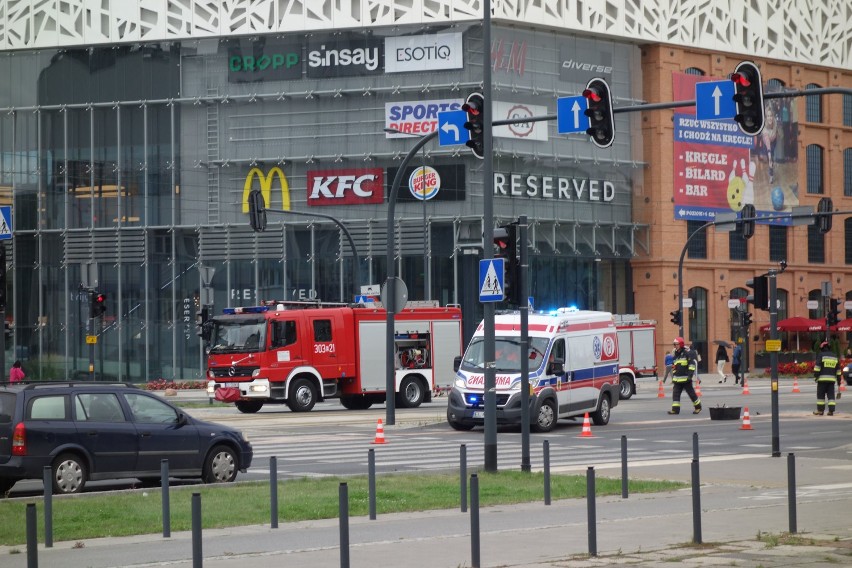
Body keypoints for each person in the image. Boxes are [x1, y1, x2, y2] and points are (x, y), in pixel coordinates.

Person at [667, 337, 701, 415]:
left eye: (676, 344)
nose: (675, 346)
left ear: (681, 344)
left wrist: (690, 375)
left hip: (686, 379)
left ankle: (698, 407)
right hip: (677, 379)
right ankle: (675, 410)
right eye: (674, 344)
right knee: (675, 394)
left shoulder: (687, 353)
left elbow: (691, 365)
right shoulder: (676, 354)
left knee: (691, 394)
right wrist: (674, 375)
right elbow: (674, 366)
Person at [813, 340, 840, 416]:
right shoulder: (835, 356)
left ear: (822, 348)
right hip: (831, 381)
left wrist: (816, 376)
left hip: (822, 380)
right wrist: (839, 381)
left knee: (821, 396)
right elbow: (838, 371)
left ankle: (820, 411)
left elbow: (817, 367)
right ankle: (831, 411)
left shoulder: (821, 355)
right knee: (831, 396)